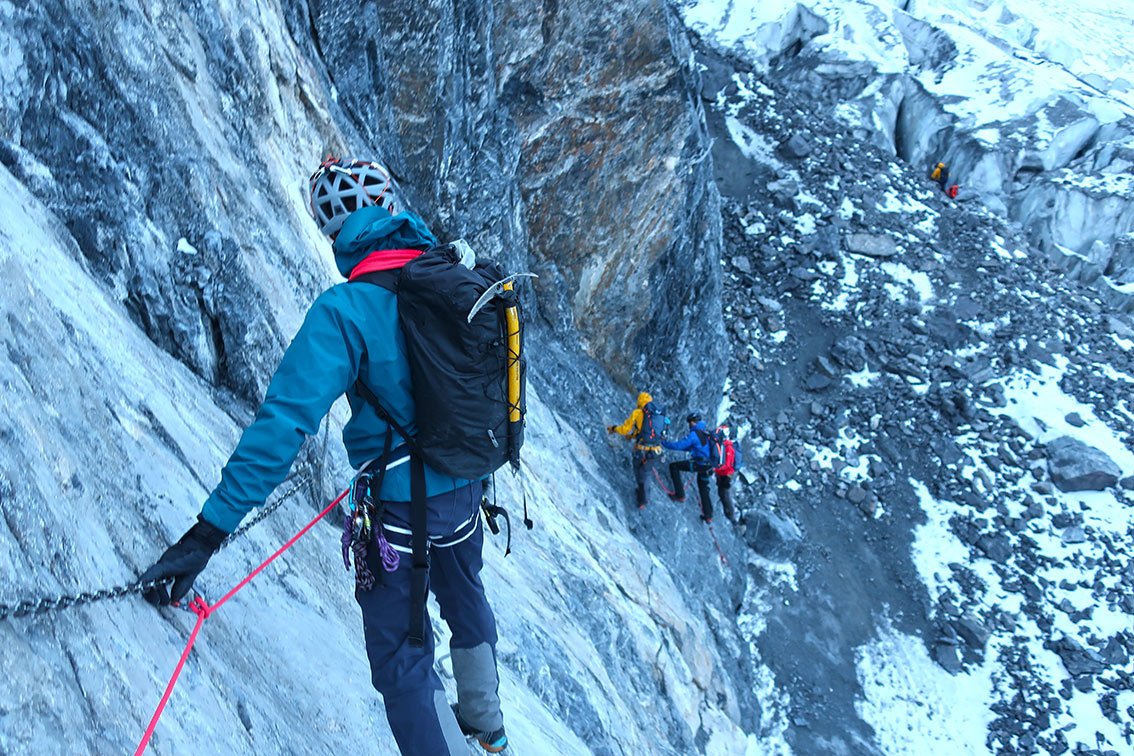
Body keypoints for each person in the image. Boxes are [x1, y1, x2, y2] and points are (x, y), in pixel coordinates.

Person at [138, 157, 508, 755]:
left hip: (400, 509)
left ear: (337, 234)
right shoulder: (451, 277)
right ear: (391, 209)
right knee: (465, 596)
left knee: (401, 657)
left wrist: (207, 533)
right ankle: (488, 727)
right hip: (468, 484)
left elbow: (283, 425)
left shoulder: (345, 310)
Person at [607, 391, 666, 509]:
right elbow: (645, 432)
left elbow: (625, 429)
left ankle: (642, 500)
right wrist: (632, 436)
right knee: (647, 473)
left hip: (641, 450)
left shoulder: (637, 413)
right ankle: (645, 495)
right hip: (655, 451)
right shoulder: (658, 416)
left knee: (639, 471)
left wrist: (614, 428)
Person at [663, 413, 714, 523]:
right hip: (709, 466)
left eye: (689, 423)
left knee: (674, 466)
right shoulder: (706, 433)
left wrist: (664, 443)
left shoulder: (694, 435)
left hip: (699, 464)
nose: (689, 426)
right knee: (703, 487)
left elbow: (679, 446)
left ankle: (680, 495)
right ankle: (708, 515)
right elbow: (691, 447)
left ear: (692, 422)